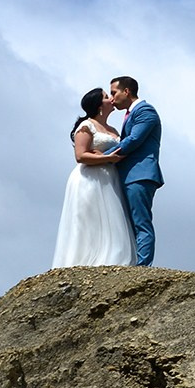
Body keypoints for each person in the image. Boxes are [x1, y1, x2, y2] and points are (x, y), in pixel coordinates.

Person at [51, 88, 136, 268]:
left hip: (110, 177)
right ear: (98, 105)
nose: (111, 99)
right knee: (89, 219)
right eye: (106, 97)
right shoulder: (86, 126)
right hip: (89, 177)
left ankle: (110, 260)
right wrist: (107, 158)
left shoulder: (113, 129)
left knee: (112, 220)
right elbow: (80, 156)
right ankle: (84, 262)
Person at [105, 75, 163, 266]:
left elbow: (134, 140)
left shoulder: (145, 111)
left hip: (140, 174)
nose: (112, 99)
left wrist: (103, 157)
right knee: (131, 222)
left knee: (141, 222)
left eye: (114, 93)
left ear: (126, 91)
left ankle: (142, 266)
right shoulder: (132, 113)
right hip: (130, 175)